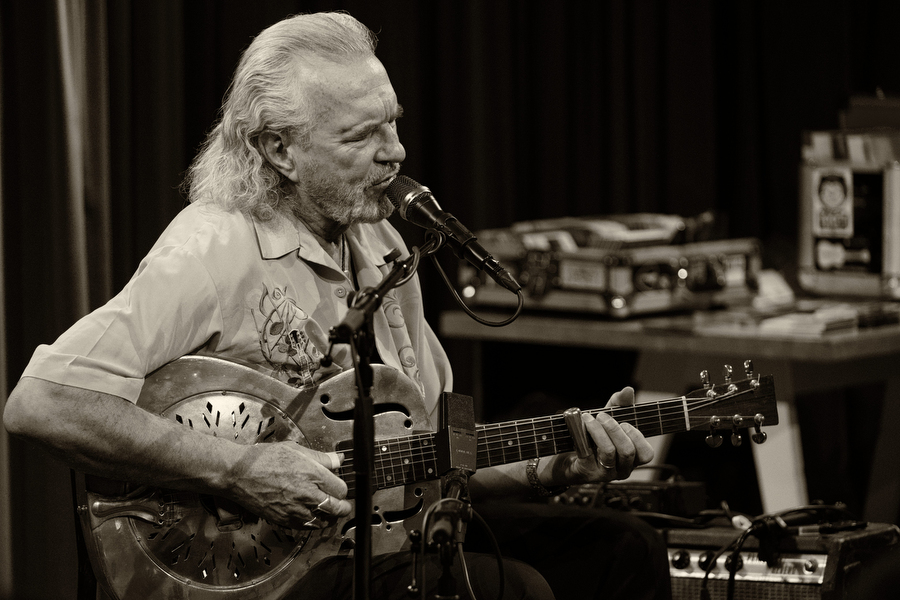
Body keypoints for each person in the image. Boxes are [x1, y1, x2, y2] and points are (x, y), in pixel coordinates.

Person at [3, 11, 670, 599]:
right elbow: (42, 403)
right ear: (278, 150)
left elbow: (434, 455)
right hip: (263, 567)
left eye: (393, 123)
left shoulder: (381, 242)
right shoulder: (213, 248)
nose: (396, 152)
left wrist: (554, 464)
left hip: (381, 536)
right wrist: (238, 469)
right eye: (360, 137)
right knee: (510, 589)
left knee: (621, 549)